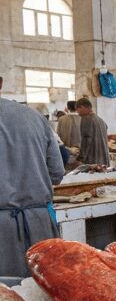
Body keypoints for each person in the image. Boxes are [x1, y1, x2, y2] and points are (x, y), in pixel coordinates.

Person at [0, 76, 65, 278]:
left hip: (3, 233)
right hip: (40, 225)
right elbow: (57, 173)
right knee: (46, 295)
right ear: (1, 83)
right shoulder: (34, 116)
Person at [76, 97, 110, 166]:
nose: (78, 113)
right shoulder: (100, 120)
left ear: (82, 107)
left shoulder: (86, 119)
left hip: (92, 161)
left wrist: (80, 157)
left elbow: (86, 140)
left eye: (78, 110)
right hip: (104, 160)